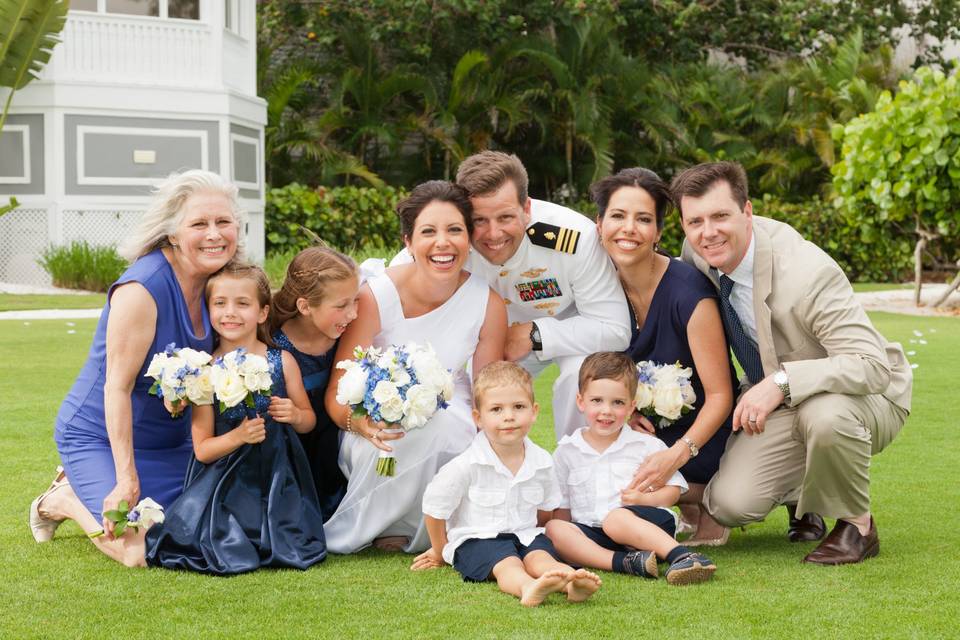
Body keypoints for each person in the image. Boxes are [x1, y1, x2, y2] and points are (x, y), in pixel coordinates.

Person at [671, 161, 912, 564]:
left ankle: (858, 525)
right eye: (695, 221)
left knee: (826, 415)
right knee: (731, 503)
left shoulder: (807, 273)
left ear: (747, 212)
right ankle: (805, 497)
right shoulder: (698, 255)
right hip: (781, 395)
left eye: (720, 216)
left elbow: (872, 365)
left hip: (865, 396)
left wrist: (782, 382)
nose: (708, 232)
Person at [28, 170, 240, 567]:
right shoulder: (142, 290)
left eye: (223, 222)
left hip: (173, 443)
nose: (215, 234)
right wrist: (125, 478)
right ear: (172, 233)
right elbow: (117, 388)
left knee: (212, 526)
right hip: (99, 437)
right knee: (139, 550)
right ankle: (65, 498)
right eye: (200, 224)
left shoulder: (225, 284)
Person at [323, 181, 507, 554]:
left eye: (455, 230)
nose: (443, 242)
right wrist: (360, 423)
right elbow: (337, 389)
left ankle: (423, 527)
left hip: (451, 409)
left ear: (469, 238)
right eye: (428, 231)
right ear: (408, 241)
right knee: (397, 434)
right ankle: (383, 523)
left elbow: (491, 390)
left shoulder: (487, 303)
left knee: (438, 428)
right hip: (372, 419)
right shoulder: (375, 295)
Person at [393, 151, 630, 440]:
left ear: (526, 208)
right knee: (466, 394)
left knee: (581, 376)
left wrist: (534, 333)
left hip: (568, 329)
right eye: (479, 220)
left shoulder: (573, 237)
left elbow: (615, 329)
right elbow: (398, 278)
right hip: (486, 342)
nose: (493, 234)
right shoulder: (449, 239)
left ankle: (580, 468)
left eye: (506, 217)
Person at [145, 262, 326, 574]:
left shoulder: (281, 361)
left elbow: (309, 421)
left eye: (242, 303)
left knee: (289, 545)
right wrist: (239, 436)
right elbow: (202, 450)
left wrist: (295, 415)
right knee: (220, 545)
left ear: (262, 312)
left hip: (277, 480)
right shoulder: (203, 370)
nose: (230, 312)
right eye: (220, 303)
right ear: (209, 309)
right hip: (224, 484)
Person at [590, 167, 735, 545]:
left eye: (643, 219)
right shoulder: (595, 289)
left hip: (705, 434)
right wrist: (631, 412)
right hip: (647, 430)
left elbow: (721, 396)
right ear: (599, 223)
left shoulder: (688, 293)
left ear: (657, 232)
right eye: (618, 216)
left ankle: (709, 500)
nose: (629, 229)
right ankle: (685, 502)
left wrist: (677, 455)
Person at [412, 361, 602, 607]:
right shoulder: (466, 465)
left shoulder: (542, 461)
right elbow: (435, 509)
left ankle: (569, 582)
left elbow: (545, 509)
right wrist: (440, 551)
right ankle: (527, 587)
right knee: (507, 564)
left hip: (524, 533)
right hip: (478, 539)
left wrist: (538, 535)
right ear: (478, 418)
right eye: (497, 409)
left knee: (540, 556)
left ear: (533, 411)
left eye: (518, 407)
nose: (509, 416)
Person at [545, 352, 717, 585]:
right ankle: (626, 562)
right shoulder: (566, 451)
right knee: (555, 529)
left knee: (615, 519)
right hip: (595, 533)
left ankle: (683, 556)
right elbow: (563, 508)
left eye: (617, 402)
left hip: (647, 524)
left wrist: (643, 500)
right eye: (597, 401)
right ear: (580, 401)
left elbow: (675, 491)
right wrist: (564, 536)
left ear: (631, 406)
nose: (606, 411)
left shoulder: (646, 444)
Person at [269, 246, 360, 520]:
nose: (353, 313)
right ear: (305, 306)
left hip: (333, 440)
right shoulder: (273, 340)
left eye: (355, 301)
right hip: (290, 446)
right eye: (342, 305)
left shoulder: (347, 335)